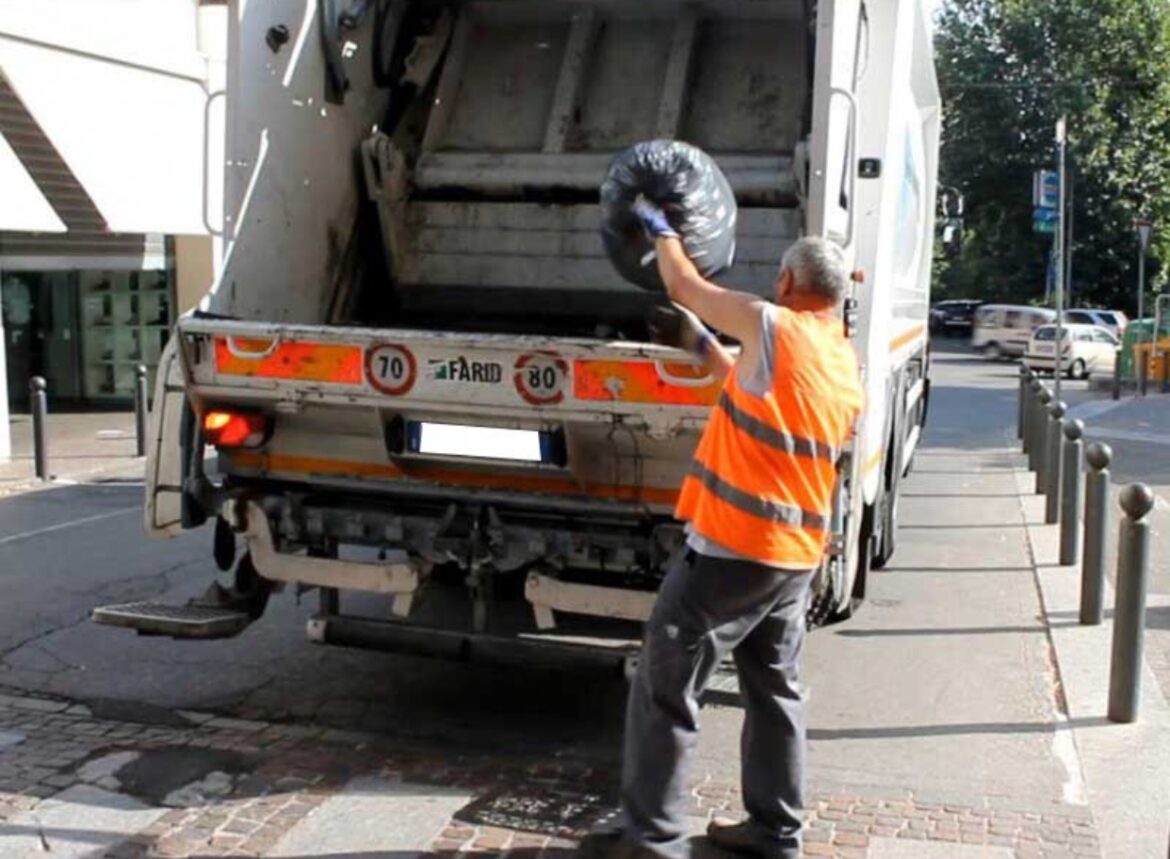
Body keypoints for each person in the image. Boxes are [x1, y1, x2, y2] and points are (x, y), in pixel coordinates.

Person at [579, 204, 864, 859]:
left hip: (734, 550)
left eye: (777, 280)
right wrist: (699, 345)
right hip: (793, 560)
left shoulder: (775, 325)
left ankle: (652, 839)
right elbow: (746, 382)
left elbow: (688, 287)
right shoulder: (837, 359)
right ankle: (775, 831)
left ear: (789, 283)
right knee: (775, 691)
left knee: (665, 684)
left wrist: (662, 231)